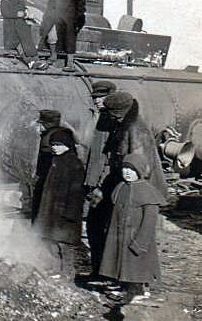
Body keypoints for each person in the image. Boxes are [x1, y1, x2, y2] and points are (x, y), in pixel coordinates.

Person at [99, 152, 166, 303]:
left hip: (137, 237)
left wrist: (140, 242)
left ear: (140, 171)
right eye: (125, 169)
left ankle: (137, 289)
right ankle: (124, 285)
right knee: (122, 263)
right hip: (120, 235)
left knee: (136, 265)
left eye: (132, 170)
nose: (127, 173)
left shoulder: (148, 192)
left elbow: (149, 222)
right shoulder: (121, 188)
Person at [31, 110, 86, 279]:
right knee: (53, 243)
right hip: (53, 212)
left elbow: (77, 193)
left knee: (65, 246)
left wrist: (70, 213)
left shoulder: (74, 165)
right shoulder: (55, 162)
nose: (54, 148)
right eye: (53, 145)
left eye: (58, 145)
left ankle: (67, 272)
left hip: (65, 214)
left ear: (67, 145)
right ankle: (56, 269)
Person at [84, 80, 119, 279]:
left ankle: (106, 273)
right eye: (95, 97)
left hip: (104, 184)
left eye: (100, 97)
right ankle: (98, 270)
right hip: (95, 182)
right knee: (94, 227)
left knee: (102, 228)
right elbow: (93, 153)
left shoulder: (113, 122)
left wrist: (100, 183)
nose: (96, 101)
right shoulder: (101, 118)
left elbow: (108, 158)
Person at [39, 0, 86, 71]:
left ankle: (70, 63)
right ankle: (53, 56)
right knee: (52, 36)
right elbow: (51, 1)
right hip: (56, 16)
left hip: (70, 17)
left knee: (70, 39)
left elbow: (81, 3)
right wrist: (48, 14)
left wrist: (78, 17)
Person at [0, 0, 47, 69]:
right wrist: (17, 14)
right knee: (20, 43)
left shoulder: (21, 1)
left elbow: (24, 11)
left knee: (27, 42)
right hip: (11, 29)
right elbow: (5, 13)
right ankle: (31, 62)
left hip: (21, 28)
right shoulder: (4, 2)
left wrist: (25, 14)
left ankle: (36, 60)